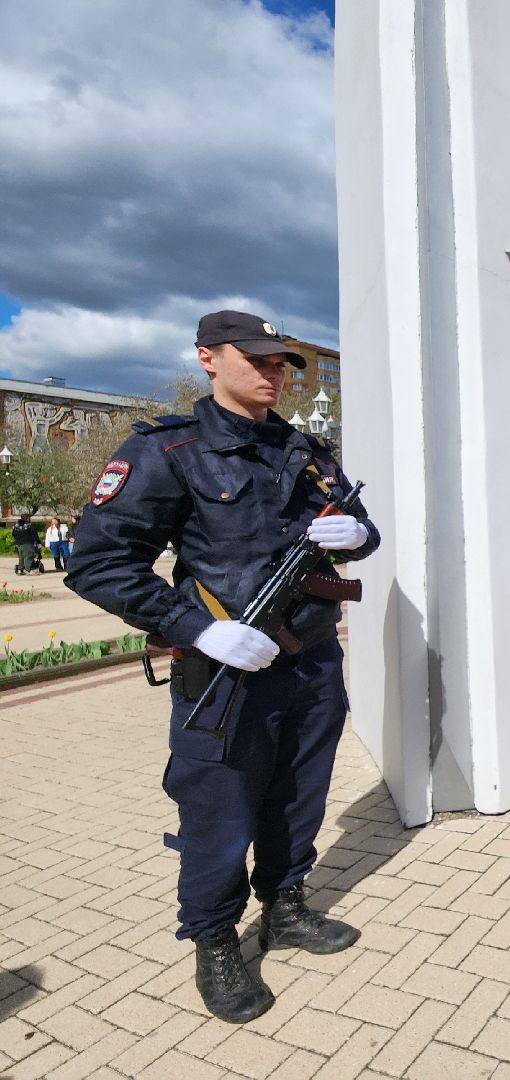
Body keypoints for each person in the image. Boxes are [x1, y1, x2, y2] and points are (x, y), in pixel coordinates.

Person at [65, 310, 381, 1024]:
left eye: (281, 364)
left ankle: (285, 907)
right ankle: (213, 939)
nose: (273, 374)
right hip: (227, 675)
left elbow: (359, 532)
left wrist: (359, 534)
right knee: (220, 811)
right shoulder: (169, 450)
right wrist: (199, 630)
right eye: (257, 360)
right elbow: (98, 563)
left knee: (300, 794)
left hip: (312, 661)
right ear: (207, 357)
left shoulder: (307, 451)